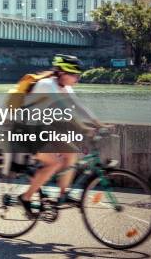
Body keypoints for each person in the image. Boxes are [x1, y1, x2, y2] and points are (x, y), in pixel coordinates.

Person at [17, 54, 110, 216]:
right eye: (74, 75)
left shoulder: (65, 88)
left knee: (71, 154)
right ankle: (26, 197)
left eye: (78, 75)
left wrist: (98, 123)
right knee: (53, 163)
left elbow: (79, 107)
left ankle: (62, 195)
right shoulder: (47, 85)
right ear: (62, 73)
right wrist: (84, 128)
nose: (77, 79)